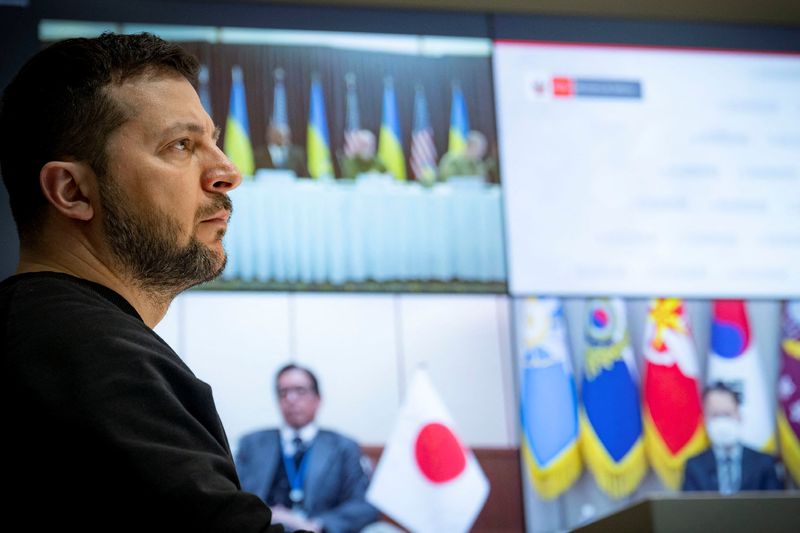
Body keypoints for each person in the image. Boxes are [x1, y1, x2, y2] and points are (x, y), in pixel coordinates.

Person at [0, 33, 286, 532]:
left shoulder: (39, 333)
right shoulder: (93, 359)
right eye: (181, 145)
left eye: (212, 140)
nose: (227, 171)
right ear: (72, 191)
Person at [236, 364, 378, 533]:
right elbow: (235, 496)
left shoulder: (343, 447)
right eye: (283, 392)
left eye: (300, 391)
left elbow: (363, 506)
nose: (291, 399)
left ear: (318, 399)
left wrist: (318, 525)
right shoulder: (252, 444)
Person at [682, 382, 782, 493]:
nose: (722, 422)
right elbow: (689, 508)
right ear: (705, 420)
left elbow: (774, 506)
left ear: (739, 416)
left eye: (727, 414)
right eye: (715, 415)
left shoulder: (763, 463)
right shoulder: (694, 467)